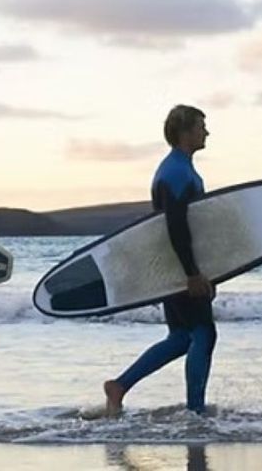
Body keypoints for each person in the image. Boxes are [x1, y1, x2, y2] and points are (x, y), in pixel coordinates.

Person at [103, 104, 216, 416]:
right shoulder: (177, 173)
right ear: (184, 131)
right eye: (200, 126)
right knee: (204, 334)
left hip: (172, 266)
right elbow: (176, 227)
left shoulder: (177, 168)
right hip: (180, 267)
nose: (206, 131)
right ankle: (196, 413)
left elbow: (194, 229)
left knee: (182, 337)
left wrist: (207, 271)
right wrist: (192, 274)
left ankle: (120, 386)